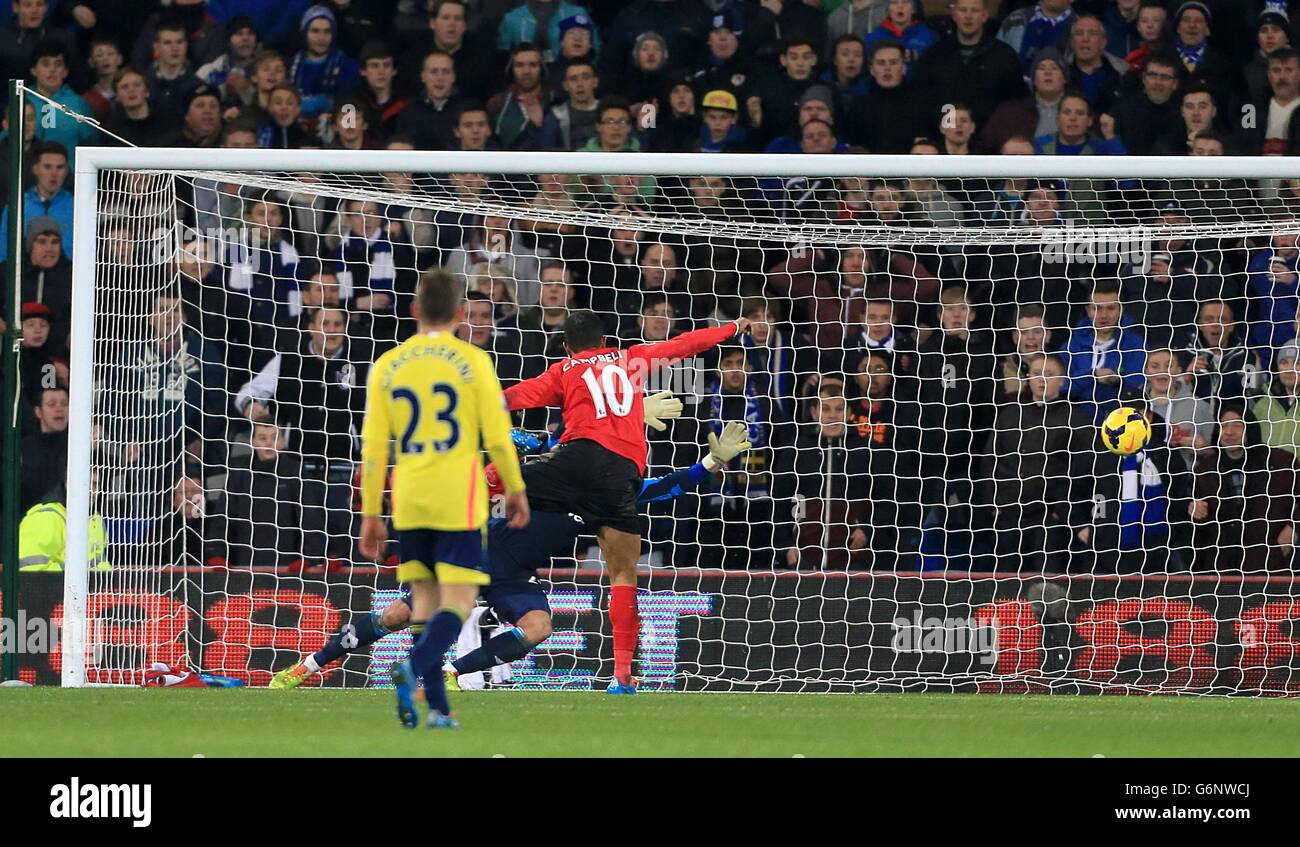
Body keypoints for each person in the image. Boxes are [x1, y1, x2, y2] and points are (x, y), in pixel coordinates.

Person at [270, 412, 749, 689]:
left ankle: (449, 673)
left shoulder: (614, 493)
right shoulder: (552, 469)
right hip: (477, 554)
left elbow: (667, 487)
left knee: (539, 626)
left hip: (515, 573)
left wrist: (711, 461)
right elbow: (533, 446)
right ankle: (308, 666)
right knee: (396, 616)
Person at [504, 309, 747, 693]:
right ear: (604, 341)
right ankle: (621, 676)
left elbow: (515, 397)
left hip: (574, 459)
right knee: (623, 575)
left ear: (567, 347)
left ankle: (453, 548)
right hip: (620, 475)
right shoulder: (630, 359)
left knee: (499, 481)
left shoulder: (563, 370)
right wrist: (731, 328)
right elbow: (683, 345)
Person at [358, 267, 529, 730]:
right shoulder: (473, 361)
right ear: (459, 313)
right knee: (459, 598)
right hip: (459, 494)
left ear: (414, 310)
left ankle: (436, 708)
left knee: (424, 603)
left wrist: (371, 514)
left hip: (409, 498)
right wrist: (514, 488)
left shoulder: (387, 365)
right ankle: (415, 669)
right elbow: (497, 436)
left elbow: (374, 450)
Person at [1190, 405, 1300, 572]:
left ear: (1251, 428)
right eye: (1224, 425)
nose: (1229, 432)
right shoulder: (1205, 469)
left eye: (1237, 425)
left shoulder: (1281, 463)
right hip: (1222, 570)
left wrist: (1293, 529)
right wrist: (1194, 510)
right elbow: (1196, 517)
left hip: (1271, 566)